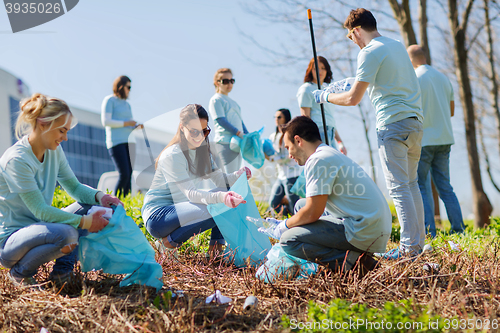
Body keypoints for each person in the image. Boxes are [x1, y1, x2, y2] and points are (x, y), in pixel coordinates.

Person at [313, 8, 424, 259]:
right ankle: (417, 245)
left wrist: (325, 97)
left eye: (350, 37)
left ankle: (407, 249)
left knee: (398, 188)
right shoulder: (395, 45)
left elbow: (353, 99)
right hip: (415, 123)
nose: (352, 42)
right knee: (412, 184)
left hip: (392, 124)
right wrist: (353, 79)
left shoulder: (368, 51)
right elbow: (385, 79)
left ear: (356, 31)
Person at [0, 93, 122, 287]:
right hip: (11, 241)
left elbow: (73, 187)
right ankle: (20, 274)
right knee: (68, 234)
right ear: (42, 123)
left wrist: (101, 197)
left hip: (42, 227)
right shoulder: (17, 160)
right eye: (61, 131)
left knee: (92, 206)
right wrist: (86, 222)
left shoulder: (54, 151)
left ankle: (61, 275)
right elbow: (40, 210)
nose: (65, 138)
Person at [259, 116, 391, 274]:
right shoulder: (327, 153)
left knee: (289, 240)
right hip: (372, 223)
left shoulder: (318, 160)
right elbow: (309, 208)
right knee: (300, 205)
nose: (289, 155)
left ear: (298, 140)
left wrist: (284, 225)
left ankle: (355, 263)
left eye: (288, 147)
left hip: (364, 229)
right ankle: (353, 256)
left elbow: (313, 212)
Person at [142, 104, 251, 257]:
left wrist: (238, 175)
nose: (200, 137)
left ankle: (215, 251)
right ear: (182, 127)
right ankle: (167, 242)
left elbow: (221, 181)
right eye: (194, 131)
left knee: (225, 194)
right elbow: (191, 194)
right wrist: (221, 198)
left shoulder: (202, 152)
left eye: (204, 131)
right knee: (219, 205)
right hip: (159, 217)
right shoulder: (173, 155)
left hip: (181, 210)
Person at [407, 45, 465, 237]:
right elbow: (451, 111)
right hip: (445, 139)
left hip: (424, 140)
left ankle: (430, 232)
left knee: (422, 186)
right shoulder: (443, 78)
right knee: (445, 187)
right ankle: (459, 230)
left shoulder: (414, 79)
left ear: (412, 59)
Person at [101, 75, 143, 197]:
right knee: (124, 174)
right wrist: (126, 123)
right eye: (128, 87)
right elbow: (106, 121)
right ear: (120, 87)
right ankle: (116, 203)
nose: (129, 90)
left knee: (129, 174)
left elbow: (128, 123)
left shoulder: (127, 105)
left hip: (129, 142)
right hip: (116, 142)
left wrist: (134, 125)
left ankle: (126, 203)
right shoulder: (109, 100)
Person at [297, 56, 347, 153]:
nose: (320, 71)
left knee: (335, 165)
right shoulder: (306, 89)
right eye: (316, 68)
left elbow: (330, 119)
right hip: (318, 133)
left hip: (330, 133)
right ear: (311, 70)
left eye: (323, 68)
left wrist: (340, 142)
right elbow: (305, 118)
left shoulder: (328, 90)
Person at [208, 68, 249, 173]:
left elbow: (240, 122)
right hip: (225, 141)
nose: (229, 84)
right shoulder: (216, 99)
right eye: (225, 81)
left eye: (232, 81)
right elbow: (220, 120)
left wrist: (248, 135)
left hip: (238, 142)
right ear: (217, 83)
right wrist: (238, 132)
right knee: (230, 175)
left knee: (236, 175)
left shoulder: (235, 103)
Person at [267, 108, 302, 216]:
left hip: (292, 174)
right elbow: (272, 153)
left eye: (279, 117)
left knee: (294, 204)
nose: (276, 119)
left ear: (286, 118)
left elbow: (289, 155)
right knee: (273, 203)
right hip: (281, 175)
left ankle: (299, 224)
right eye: (275, 117)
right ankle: (289, 220)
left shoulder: (291, 134)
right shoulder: (273, 136)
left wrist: (273, 159)